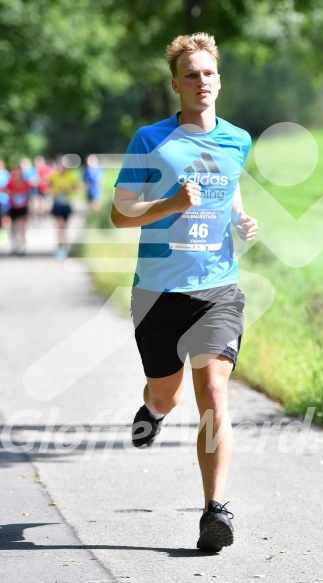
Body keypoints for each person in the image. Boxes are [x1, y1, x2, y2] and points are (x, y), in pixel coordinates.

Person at [111, 32, 258, 552]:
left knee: (214, 393)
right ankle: (151, 412)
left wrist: (238, 216)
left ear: (219, 79)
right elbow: (120, 211)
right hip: (156, 293)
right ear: (176, 84)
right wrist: (168, 205)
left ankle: (214, 511)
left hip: (217, 286)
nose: (202, 82)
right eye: (191, 74)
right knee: (167, 394)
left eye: (209, 73)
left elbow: (228, 176)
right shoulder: (150, 140)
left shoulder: (238, 138)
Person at [50, 157, 79, 259]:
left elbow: (76, 187)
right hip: (57, 204)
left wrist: (68, 189)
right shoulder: (54, 176)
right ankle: (59, 247)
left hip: (66, 204)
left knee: (65, 227)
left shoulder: (71, 176)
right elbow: (49, 187)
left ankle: (63, 247)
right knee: (60, 225)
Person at [5, 164, 31, 255]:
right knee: (14, 227)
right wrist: (12, 194)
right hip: (13, 207)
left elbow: (29, 194)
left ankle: (22, 246)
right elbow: (5, 190)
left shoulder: (26, 183)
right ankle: (15, 244)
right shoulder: (11, 182)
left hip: (23, 208)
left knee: (22, 226)